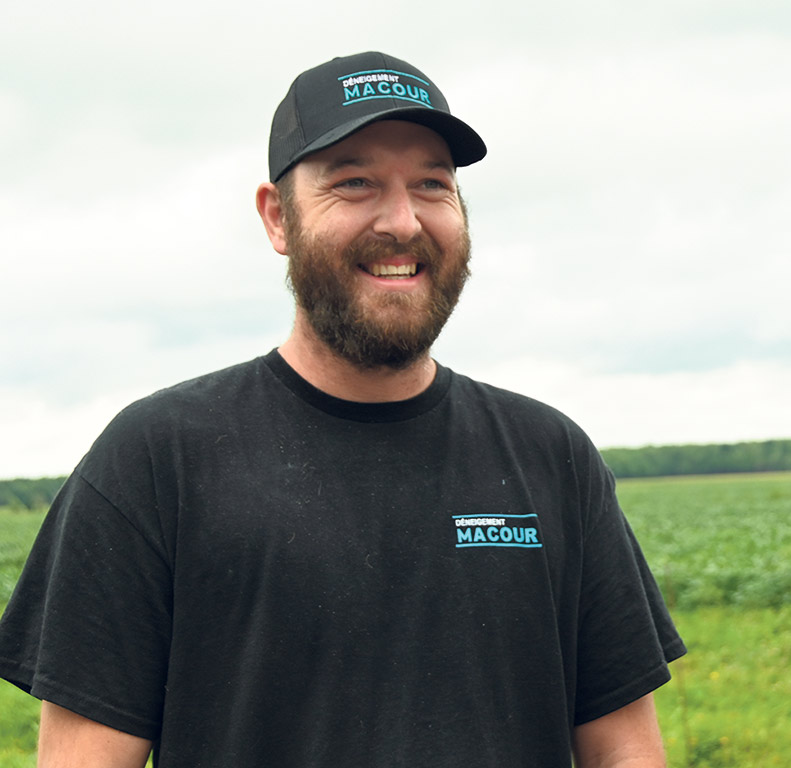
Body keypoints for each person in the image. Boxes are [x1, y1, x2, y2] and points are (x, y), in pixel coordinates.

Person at [0, 51, 685, 768]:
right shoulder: (157, 458)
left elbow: (624, 751)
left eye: (432, 184)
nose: (403, 221)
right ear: (278, 218)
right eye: (354, 183)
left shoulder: (551, 456)